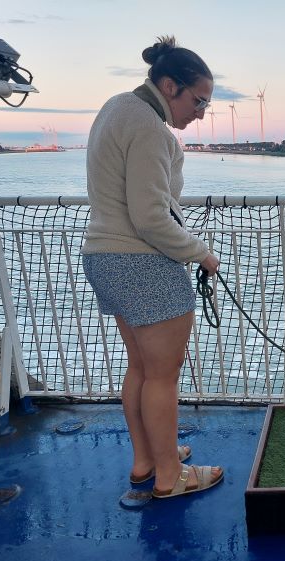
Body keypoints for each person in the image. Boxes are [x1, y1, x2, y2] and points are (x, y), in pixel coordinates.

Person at [82, 35, 223, 498]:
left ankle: (147, 460)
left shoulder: (116, 108)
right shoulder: (149, 128)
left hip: (104, 258)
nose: (200, 112)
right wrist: (200, 252)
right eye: (198, 101)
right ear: (169, 86)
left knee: (141, 368)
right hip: (141, 263)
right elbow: (150, 218)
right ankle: (170, 475)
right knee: (163, 374)